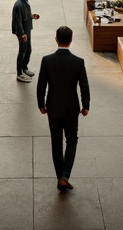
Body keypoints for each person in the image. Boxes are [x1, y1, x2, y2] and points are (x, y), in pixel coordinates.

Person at [37, 25, 90, 192]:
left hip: (53, 108)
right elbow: (84, 86)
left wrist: (41, 104)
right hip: (71, 108)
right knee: (72, 140)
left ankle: (60, 176)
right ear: (71, 40)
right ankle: (65, 175)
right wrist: (85, 106)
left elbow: (41, 85)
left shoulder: (47, 60)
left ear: (56, 39)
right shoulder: (78, 62)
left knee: (56, 143)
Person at [12, 0, 40, 82]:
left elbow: (25, 15)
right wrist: (22, 34)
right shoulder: (18, 5)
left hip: (27, 29)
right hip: (23, 32)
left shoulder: (25, 1)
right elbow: (18, 21)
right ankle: (19, 73)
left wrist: (32, 16)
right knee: (22, 51)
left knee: (28, 50)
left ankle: (24, 68)